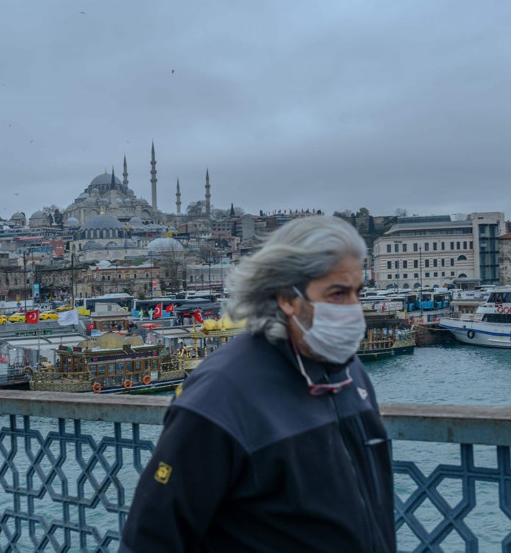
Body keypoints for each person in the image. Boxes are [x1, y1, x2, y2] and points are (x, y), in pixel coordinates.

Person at [120, 216, 395, 552]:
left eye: (357, 292)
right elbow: (154, 535)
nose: (355, 309)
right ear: (286, 296)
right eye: (337, 294)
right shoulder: (220, 395)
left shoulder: (350, 372)